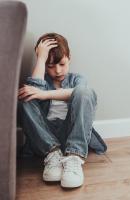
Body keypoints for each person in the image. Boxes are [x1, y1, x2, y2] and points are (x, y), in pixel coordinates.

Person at [18, 33, 107, 188]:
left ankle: (74, 156)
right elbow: (34, 90)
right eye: (50, 66)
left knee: (85, 92)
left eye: (62, 64)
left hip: (70, 133)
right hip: (45, 135)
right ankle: (52, 155)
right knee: (26, 98)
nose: (58, 71)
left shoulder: (76, 79)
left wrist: (44, 94)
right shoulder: (42, 79)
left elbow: (79, 92)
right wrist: (40, 58)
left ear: (69, 58)